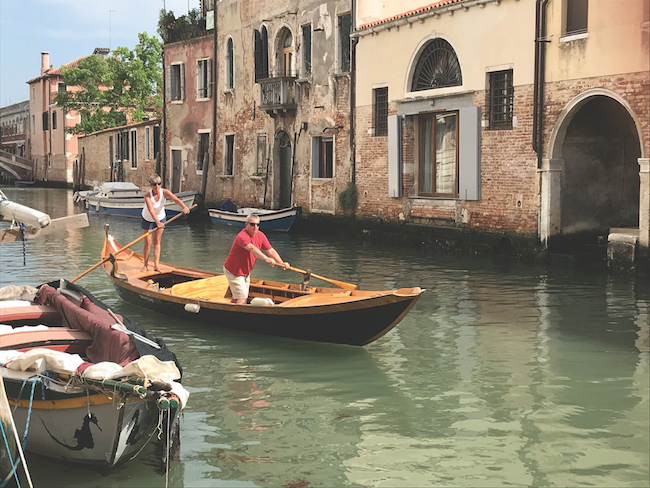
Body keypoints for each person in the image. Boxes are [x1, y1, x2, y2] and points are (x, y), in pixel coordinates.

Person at [223, 214, 290, 304]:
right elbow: (252, 249)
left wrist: (281, 263)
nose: (255, 227)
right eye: (252, 224)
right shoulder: (242, 236)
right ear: (246, 224)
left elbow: (270, 250)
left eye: (257, 224)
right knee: (242, 298)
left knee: (237, 297)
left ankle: (228, 312)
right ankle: (237, 317)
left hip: (245, 271)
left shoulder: (260, 235)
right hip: (234, 271)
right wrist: (266, 258)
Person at [141, 174, 189, 272]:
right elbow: (151, 210)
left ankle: (156, 265)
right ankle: (145, 265)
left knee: (157, 241)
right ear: (151, 186)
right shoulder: (147, 196)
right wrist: (157, 222)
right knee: (148, 242)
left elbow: (176, 199)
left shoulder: (165, 192)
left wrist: (184, 207)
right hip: (148, 219)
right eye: (154, 184)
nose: (157, 186)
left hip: (161, 217)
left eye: (159, 184)